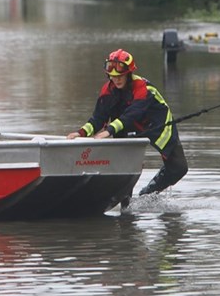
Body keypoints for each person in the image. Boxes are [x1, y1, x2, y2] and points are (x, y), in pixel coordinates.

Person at [67, 49, 188, 196]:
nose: (116, 80)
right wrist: (81, 133)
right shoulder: (107, 91)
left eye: (121, 76)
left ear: (129, 74)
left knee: (179, 168)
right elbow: (98, 118)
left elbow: (132, 114)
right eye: (113, 76)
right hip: (126, 129)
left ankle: (147, 195)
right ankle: (124, 202)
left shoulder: (143, 88)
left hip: (158, 127)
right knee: (125, 170)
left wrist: (109, 131)